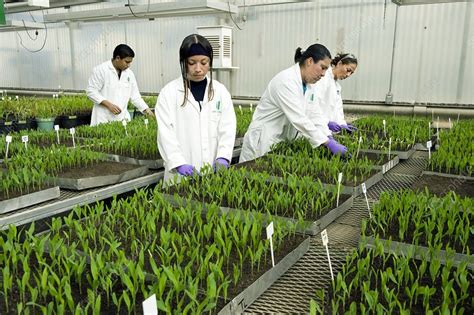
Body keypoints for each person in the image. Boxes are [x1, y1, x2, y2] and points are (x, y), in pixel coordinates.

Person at [239, 44, 348, 163]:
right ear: (310, 61)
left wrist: (328, 136)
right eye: (322, 67)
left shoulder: (309, 85)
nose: (323, 74)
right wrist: (326, 143)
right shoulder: (286, 81)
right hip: (262, 142)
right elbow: (299, 119)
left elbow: (314, 114)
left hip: (279, 142)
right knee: (252, 177)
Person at [155, 34, 236, 183]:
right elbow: (165, 133)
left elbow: (228, 127)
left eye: (204, 62)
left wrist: (223, 156)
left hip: (213, 170)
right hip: (180, 176)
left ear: (210, 62)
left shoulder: (220, 91)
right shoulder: (169, 93)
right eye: (192, 63)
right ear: (183, 62)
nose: (198, 69)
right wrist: (178, 163)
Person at [86, 44, 154, 126]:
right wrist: (109, 105)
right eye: (127, 62)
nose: (129, 65)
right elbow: (91, 91)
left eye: (130, 62)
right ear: (117, 58)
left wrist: (147, 110)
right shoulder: (101, 70)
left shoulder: (129, 74)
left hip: (122, 118)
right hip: (103, 118)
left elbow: (135, 96)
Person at [314, 53, 358, 133]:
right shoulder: (323, 78)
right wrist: (326, 122)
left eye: (351, 73)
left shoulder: (337, 87)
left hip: (324, 131)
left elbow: (338, 110)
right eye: (348, 70)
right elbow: (313, 105)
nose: (348, 74)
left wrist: (342, 124)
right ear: (340, 63)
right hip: (315, 127)